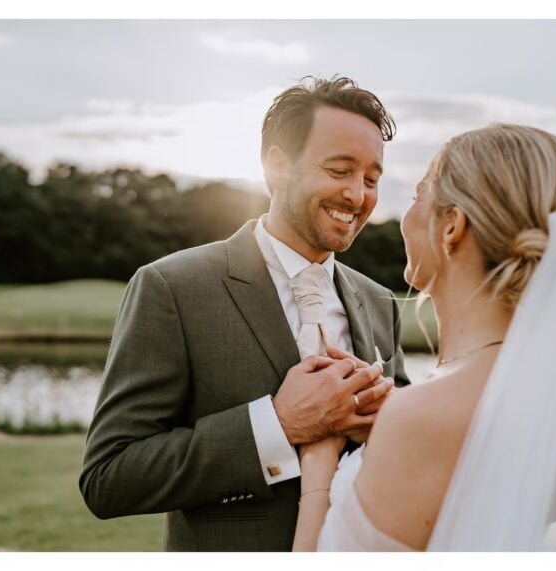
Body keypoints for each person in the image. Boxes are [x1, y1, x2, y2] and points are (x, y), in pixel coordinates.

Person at [79, 76, 410, 551]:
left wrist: (387, 421)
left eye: (372, 179)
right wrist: (278, 425)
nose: (358, 196)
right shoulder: (173, 288)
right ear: (277, 167)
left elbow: (404, 455)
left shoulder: (378, 301)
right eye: (340, 170)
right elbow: (109, 476)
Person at [292, 124, 556, 551]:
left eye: (420, 195)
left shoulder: (417, 419)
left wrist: (319, 461)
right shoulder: (549, 410)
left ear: (452, 226)